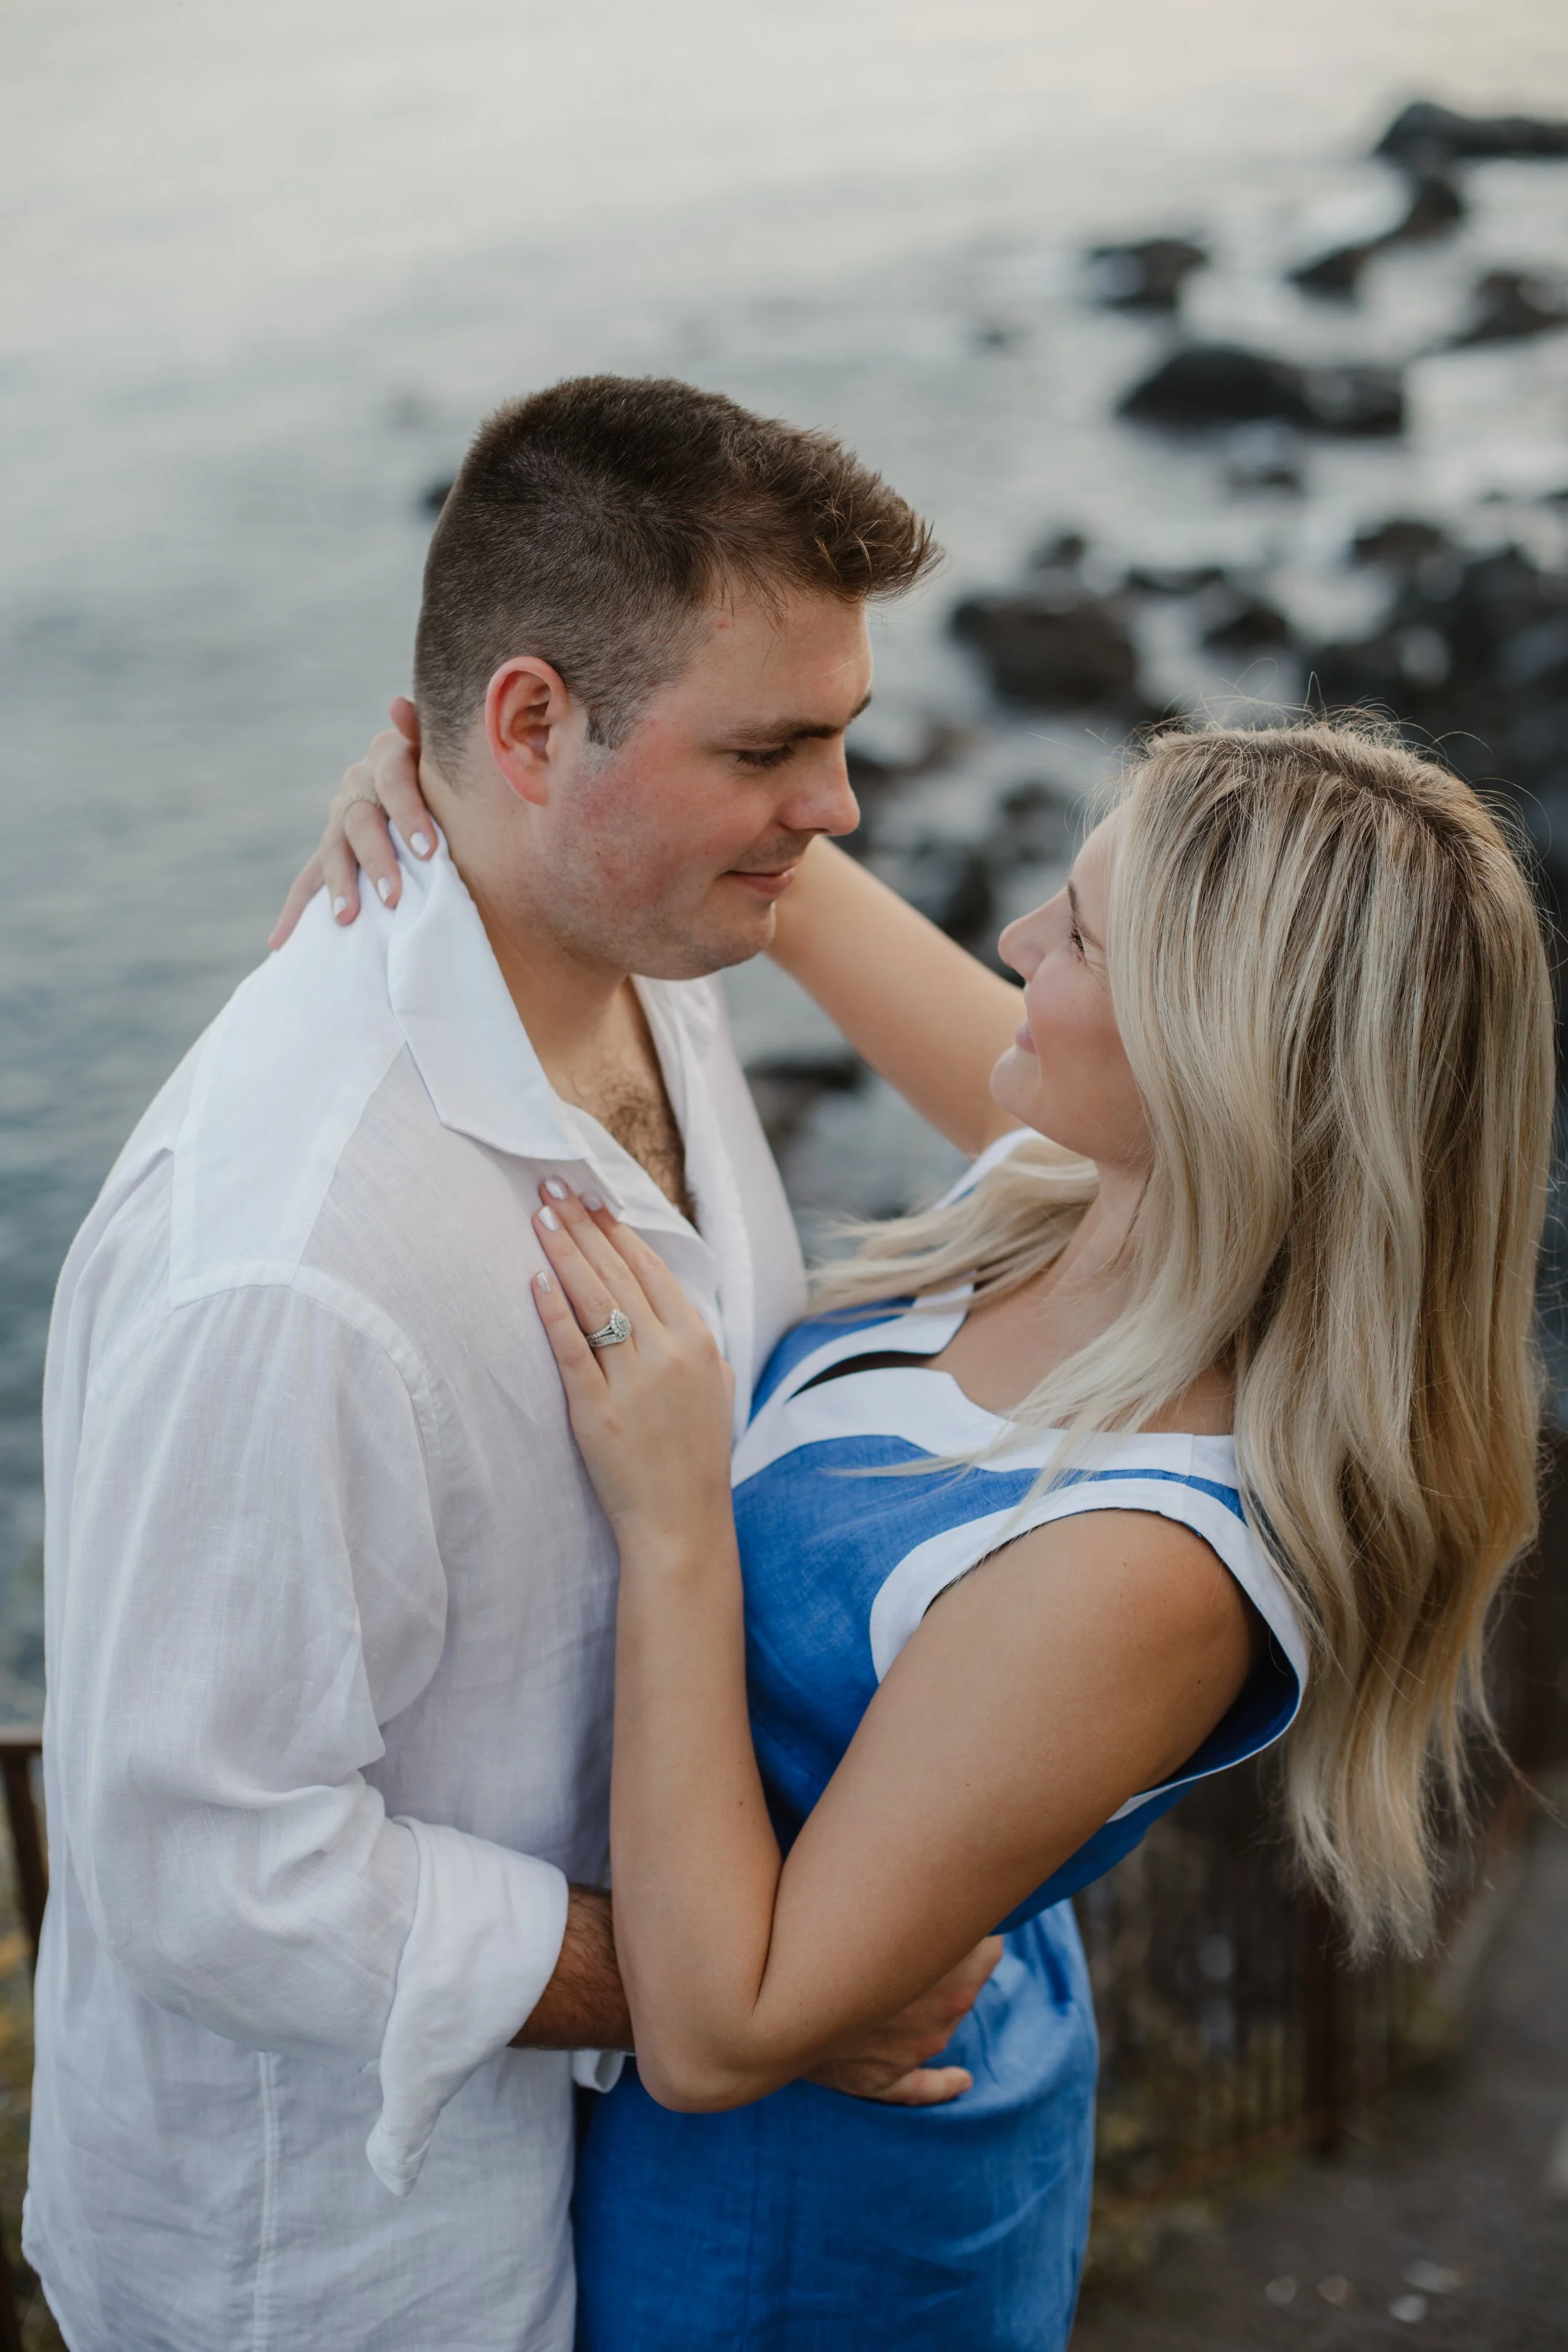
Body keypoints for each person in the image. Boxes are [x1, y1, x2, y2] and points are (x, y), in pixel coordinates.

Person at [315, 715, 1551, 2349]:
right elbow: (789, 876)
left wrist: (675, 1507)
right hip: (757, 2085)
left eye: (1080, 935)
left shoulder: (1151, 1560)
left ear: (1214, 1053)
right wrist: (465, 792)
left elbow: (719, 2030)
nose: (1015, 941)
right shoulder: (1093, 1195)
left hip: (800, 2228)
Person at [29, 376, 1011, 2352]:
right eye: (776, 749)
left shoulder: (655, 940)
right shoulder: (293, 1264)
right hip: (341, 2267)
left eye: (840, 737)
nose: (836, 817)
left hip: (623, 2191)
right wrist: (721, 1976)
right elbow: (208, 1870)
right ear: (530, 723)